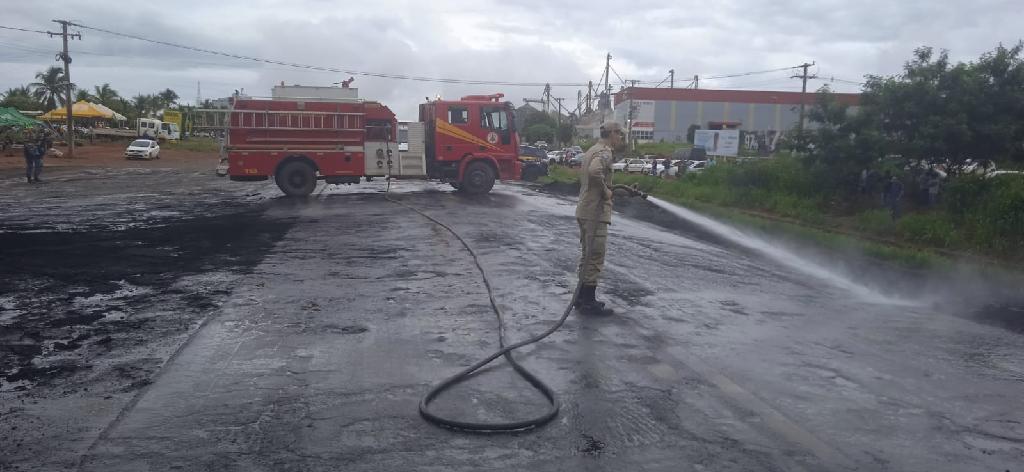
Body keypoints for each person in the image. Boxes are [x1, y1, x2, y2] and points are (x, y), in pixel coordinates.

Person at [575, 122, 625, 316]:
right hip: (595, 213)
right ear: (611, 133)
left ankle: (580, 298)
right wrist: (605, 192)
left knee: (587, 255)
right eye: (619, 134)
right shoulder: (604, 152)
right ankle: (588, 302)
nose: (620, 137)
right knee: (595, 256)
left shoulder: (593, 149)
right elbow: (595, 172)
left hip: (585, 210)